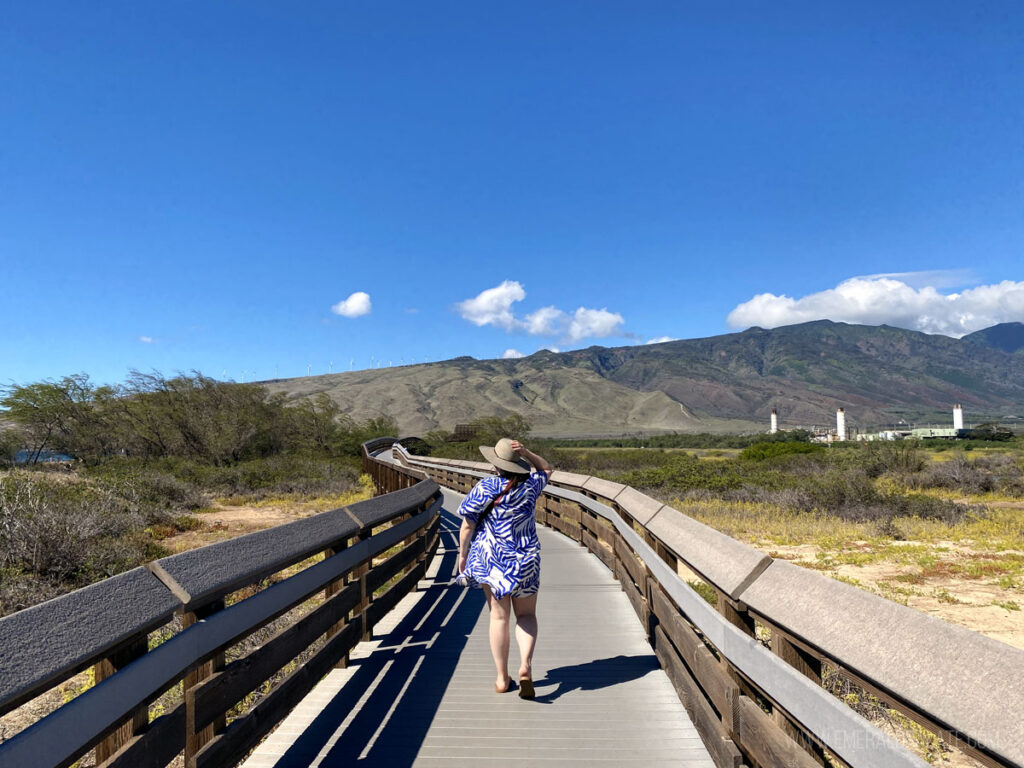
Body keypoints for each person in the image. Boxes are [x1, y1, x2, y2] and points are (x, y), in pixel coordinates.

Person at [456, 438, 553, 698]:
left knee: (499, 617)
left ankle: (501, 678)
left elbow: (467, 525)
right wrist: (528, 453)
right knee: (527, 616)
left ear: (495, 463)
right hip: (526, 560)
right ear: (518, 463)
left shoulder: (486, 486)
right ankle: (525, 666)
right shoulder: (531, 485)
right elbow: (546, 469)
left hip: (493, 561)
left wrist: (462, 556)